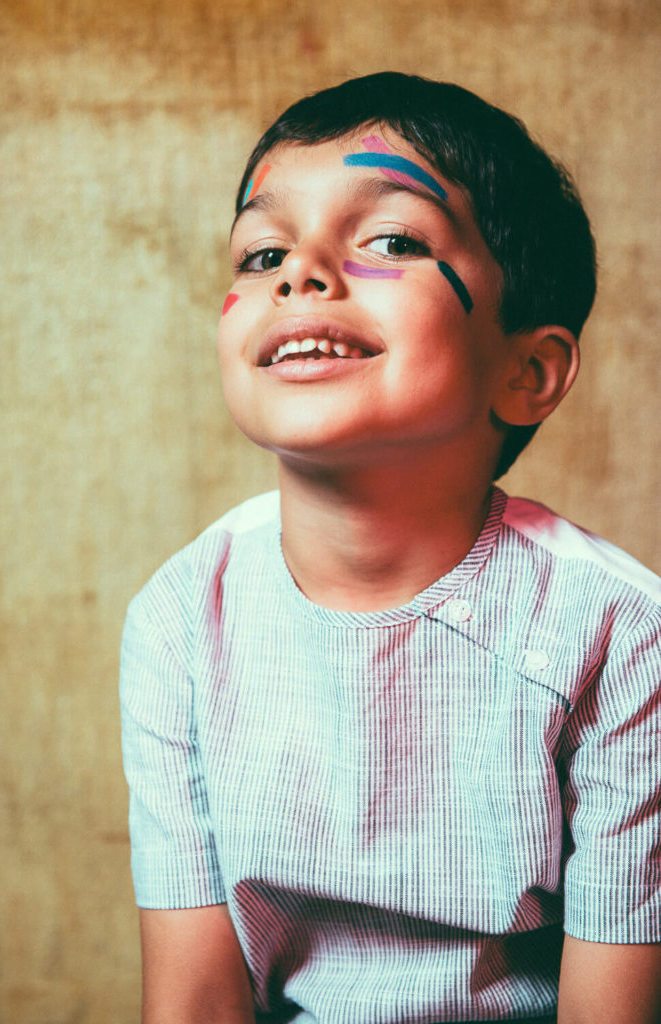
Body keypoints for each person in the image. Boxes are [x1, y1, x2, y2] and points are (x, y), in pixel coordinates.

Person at [120, 72, 661, 1024]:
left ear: (527, 371)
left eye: (393, 239)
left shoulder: (617, 631)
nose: (297, 275)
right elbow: (194, 998)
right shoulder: (179, 617)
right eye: (261, 251)